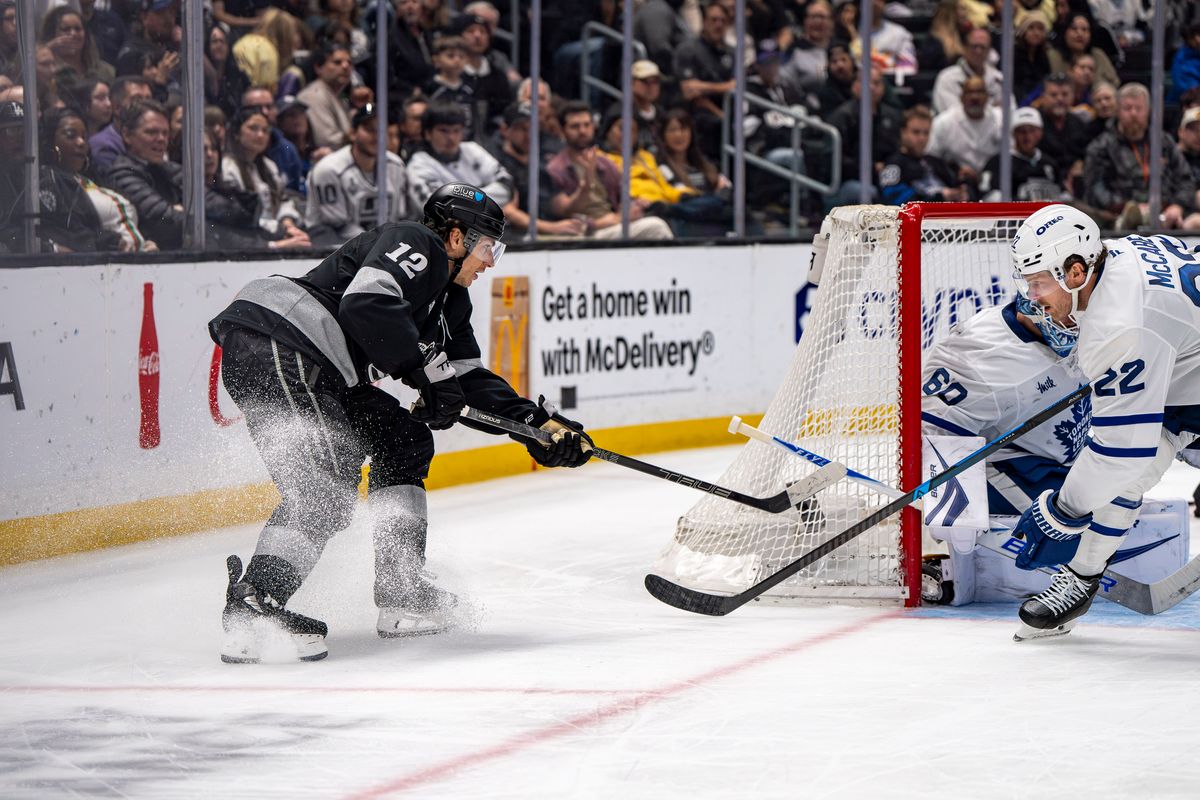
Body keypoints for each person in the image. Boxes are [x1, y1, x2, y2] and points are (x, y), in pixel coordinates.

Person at [211, 182, 593, 663]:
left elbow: (463, 378)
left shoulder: (449, 300)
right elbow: (368, 305)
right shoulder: (418, 241)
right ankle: (254, 605)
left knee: (404, 439)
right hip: (282, 341)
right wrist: (425, 374)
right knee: (324, 489)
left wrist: (537, 427)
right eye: (487, 247)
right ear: (455, 237)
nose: (491, 261)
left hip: (321, 367)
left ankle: (402, 589)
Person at [1006, 203, 1200, 640]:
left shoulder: (1119, 328)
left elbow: (1121, 453)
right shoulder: (1116, 252)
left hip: (1189, 382)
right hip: (1186, 375)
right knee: (1127, 478)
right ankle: (1081, 578)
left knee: (1124, 466)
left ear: (1076, 273)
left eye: (1039, 283)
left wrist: (1062, 512)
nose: (1034, 297)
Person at [547, 101, 673, 241]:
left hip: (611, 225)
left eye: (587, 125)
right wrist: (587, 185)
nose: (582, 131)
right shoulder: (556, 168)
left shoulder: (605, 163)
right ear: (562, 130)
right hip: (582, 233)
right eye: (575, 126)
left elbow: (622, 199)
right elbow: (563, 212)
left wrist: (636, 205)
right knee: (656, 227)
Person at [42, 105, 157, 252]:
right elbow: (72, 231)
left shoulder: (95, 177)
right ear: (50, 141)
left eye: (84, 137)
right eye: (71, 135)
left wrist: (147, 241)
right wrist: (115, 243)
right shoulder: (48, 180)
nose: (81, 142)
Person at [1084, 83, 1197, 231]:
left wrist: (1177, 205)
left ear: (1148, 111)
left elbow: (1185, 180)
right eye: (1128, 108)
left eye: (1139, 108)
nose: (1133, 114)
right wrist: (1127, 206)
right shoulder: (1101, 146)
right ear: (1117, 111)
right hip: (1118, 215)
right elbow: (1095, 188)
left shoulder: (1163, 141)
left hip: (1166, 213)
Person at [305, 103, 409, 244]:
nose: (377, 136)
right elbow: (338, 226)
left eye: (382, 130)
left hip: (381, 248)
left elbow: (399, 218)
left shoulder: (396, 166)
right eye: (370, 130)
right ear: (353, 134)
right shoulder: (329, 170)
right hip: (332, 248)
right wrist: (380, 245)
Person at [493, 102, 586, 239]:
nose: (528, 135)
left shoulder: (543, 162)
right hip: (514, 236)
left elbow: (560, 206)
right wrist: (552, 228)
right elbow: (507, 210)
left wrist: (586, 186)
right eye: (522, 129)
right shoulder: (495, 164)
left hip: (545, 229)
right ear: (505, 130)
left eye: (533, 128)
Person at [406, 100, 512, 212]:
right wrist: (485, 199)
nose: (451, 137)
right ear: (428, 133)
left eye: (456, 130)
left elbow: (507, 185)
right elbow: (437, 208)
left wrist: (459, 200)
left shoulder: (472, 149)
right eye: (443, 131)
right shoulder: (418, 165)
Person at [221, 107, 308, 242]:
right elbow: (238, 214)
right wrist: (280, 233)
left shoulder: (269, 166)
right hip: (250, 236)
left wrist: (288, 224)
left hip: (277, 230)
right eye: (253, 128)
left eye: (265, 130)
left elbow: (282, 200)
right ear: (236, 133)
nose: (260, 135)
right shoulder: (228, 167)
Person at [673, 0, 737, 159]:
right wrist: (725, 87)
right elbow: (689, 91)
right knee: (715, 123)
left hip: (729, 112)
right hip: (699, 115)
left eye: (723, 21)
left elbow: (738, 86)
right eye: (713, 20)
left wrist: (704, 86)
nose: (718, 25)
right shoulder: (689, 50)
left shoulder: (731, 53)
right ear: (704, 21)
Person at [879, 105, 966, 205]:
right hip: (920, 218)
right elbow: (894, 200)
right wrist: (939, 197)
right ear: (903, 132)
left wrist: (962, 190)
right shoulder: (894, 164)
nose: (922, 138)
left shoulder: (935, 162)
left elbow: (956, 186)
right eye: (916, 132)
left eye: (926, 133)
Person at [927, 76, 1003, 189]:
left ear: (987, 97)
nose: (975, 97)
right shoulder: (944, 122)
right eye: (969, 92)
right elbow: (930, 157)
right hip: (955, 183)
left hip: (993, 183)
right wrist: (952, 172)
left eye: (980, 92)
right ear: (961, 97)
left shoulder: (1001, 119)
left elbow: (1012, 154)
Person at [931, 28, 1007, 114]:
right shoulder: (947, 78)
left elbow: (1009, 112)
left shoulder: (999, 79)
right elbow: (951, 115)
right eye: (974, 47)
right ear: (965, 48)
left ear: (989, 50)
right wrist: (993, 108)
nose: (978, 51)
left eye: (983, 47)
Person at [89, 75, 153, 172]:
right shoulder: (104, 146)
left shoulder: (156, 138)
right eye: (137, 100)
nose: (147, 106)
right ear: (117, 108)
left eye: (149, 99)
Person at [297, 42, 354, 151]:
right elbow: (326, 141)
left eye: (349, 62)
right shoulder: (314, 95)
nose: (346, 66)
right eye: (337, 62)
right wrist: (354, 137)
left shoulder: (340, 96)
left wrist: (366, 107)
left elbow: (366, 116)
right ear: (318, 68)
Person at [40, 6, 115, 84]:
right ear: (52, 35)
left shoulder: (105, 71)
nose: (73, 34)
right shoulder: (46, 70)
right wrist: (47, 51)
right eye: (65, 29)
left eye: (78, 29)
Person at [423, 35, 477, 140]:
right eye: (450, 56)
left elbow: (473, 120)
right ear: (436, 60)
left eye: (461, 57)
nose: (457, 60)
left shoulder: (468, 89)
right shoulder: (431, 87)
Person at [1047, 11, 1119, 89]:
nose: (1080, 34)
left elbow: (1114, 82)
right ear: (1065, 32)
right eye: (1074, 29)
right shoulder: (1053, 56)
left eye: (1084, 30)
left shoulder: (1097, 55)